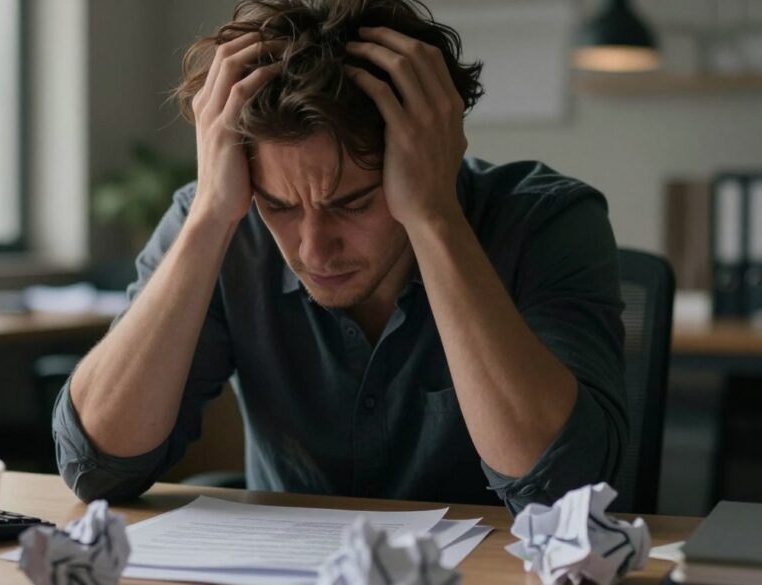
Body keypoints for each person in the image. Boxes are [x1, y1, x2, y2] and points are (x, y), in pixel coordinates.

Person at [54, 0, 626, 513]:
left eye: (353, 203)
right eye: (279, 206)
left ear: (434, 159)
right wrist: (209, 215)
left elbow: (561, 490)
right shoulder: (223, 219)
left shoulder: (548, 223)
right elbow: (95, 466)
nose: (313, 247)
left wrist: (433, 217)